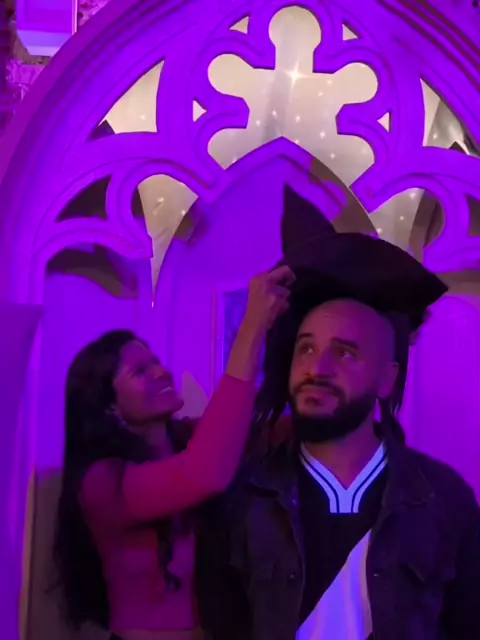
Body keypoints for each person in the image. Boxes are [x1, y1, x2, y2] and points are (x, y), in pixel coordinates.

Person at [196, 185, 480, 640]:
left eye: (345, 353)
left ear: (387, 379)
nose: (317, 368)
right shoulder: (242, 503)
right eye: (306, 349)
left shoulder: (445, 501)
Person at [53, 265, 294, 640]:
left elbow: (278, 431)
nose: (161, 372)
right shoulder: (102, 482)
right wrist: (252, 327)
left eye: (155, 362)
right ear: (109, 406)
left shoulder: (188, 438)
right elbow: (206, 473)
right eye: (140, 372)